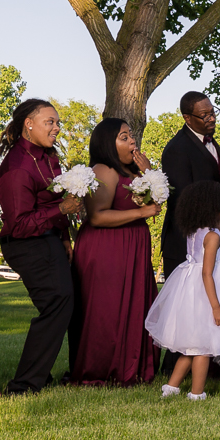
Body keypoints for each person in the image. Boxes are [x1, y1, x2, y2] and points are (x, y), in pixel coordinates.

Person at [0, 98, 85, 395]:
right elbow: (19, 224)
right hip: (24, 244)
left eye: (57, 122)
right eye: (51, 122)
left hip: (48, 239)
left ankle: (52, 373)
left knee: (66, 303)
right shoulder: (17, 168)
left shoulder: (48, 156)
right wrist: (61, 212)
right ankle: (24, 384)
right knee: (58, 301)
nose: (57, 128)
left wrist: (64, 238)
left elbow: (56, 200)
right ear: (28, 124)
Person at [71, 118, 161, 386]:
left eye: (130, 135)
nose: (132, 140)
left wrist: (150, 174)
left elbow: (156, 200)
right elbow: (97, 216)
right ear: (107, 144)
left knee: (135, 304)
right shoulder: (104, 170)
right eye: (124, 137)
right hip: (107, 247)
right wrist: (142, 212)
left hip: (133, 246)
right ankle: (101, 369)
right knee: (107, 309)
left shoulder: (134, 171)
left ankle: (132, 366)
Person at [147, 181, 220, 399]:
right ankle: (196, 393)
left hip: (193, 293)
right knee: (203, 348)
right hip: (208, 295)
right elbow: (207, 273)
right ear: (212, 207)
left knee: (191, 347)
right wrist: (216, 307)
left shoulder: (196, 232)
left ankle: (172, 387)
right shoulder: (212, 236)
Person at [160, 91, 220, 278]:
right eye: (205, 115)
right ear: (187, 118)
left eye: (213, 112)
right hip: (186, 242)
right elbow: (181, 199)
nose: (212, 119)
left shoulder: (212, 142)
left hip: (212, 237)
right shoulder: (176, 149)